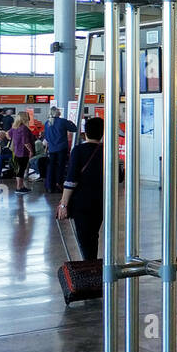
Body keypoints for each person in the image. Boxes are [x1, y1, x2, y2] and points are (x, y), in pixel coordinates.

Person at [57, 116, 105, 261]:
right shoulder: (107, 151)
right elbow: (119, 176)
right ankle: (92, 265)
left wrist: (63, 204)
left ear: (85, 133)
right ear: (102, 133)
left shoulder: (78, 151)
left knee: (84, 237)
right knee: (93, 235)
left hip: (81, 202)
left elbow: (71, 180)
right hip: (101, 201)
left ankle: (89, 266)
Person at [42, 106, 75, 193]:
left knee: (51, 167)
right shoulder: (62, 121)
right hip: (61, 148)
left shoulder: (47, 123)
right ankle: (58, 184)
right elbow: (74, 128)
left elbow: (46, 137)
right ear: (57, 113)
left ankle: (49, 186)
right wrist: (71, 122)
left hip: (52, 149)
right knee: (61, 167)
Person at [10, 111, 34, 193]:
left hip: (16, 151)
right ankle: (19, 187)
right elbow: (26, 142)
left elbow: (8, 135)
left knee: (18, 170)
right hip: (23, 152)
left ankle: (20, 186)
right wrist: (31, 151)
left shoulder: (14, 127)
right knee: (22, 170)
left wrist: (16, 141)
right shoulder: (24, 128)